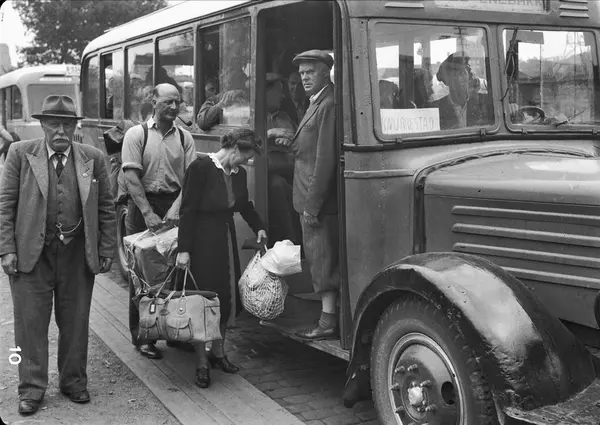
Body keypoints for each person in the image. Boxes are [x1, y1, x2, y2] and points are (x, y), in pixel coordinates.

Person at [0, 95, 116, 415]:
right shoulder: (20, 154)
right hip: (31, 255)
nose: (61, 131)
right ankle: (30, 388)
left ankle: (74, 381)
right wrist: (7, 249)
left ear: (75, 126)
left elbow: (106, 207)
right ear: (43, 126)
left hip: (76, 255)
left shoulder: (93, 158)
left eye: (67, 124)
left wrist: (106, 248)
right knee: (29, 324)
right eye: (54, 124)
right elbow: (5, 206)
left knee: (76, 321)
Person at [175, 128, 267, 388]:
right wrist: (184, 249)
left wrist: (259, 226)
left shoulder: (239, 174)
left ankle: (218, 353)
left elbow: (244, 205)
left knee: (225, 299)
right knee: (203, 302)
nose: (247, 161)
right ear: (235, 148)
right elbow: (188, 211)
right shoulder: (200, 168)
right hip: (202, 241)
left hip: (225, 239)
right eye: (246, 156)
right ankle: (201, 362)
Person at [121, 83, 197, 360]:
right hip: (143, 206)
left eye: (177, 102)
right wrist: (148, 213)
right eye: (168, 102)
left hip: (174, 206)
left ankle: (174, 332)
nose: (174, 107)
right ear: (153, 102)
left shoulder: (185, 137)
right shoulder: (136, 134)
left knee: (176, 273)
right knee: (143, 277)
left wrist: (176, 208)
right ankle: (144, 337)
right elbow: (131, 178)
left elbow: (191, 178)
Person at [277, 50, 340, 341]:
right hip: (308, 196)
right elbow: (310, 148)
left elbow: (325, 160)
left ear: (326, 72)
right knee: (319, 258)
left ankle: (327, 322)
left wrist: (312, 206)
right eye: (301, 73)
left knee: (323, 261)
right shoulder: (318, 101)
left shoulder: (327, 103)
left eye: (310, 72)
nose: (304, 78)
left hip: (317, 202)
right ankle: (328, 317)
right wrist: (292, 141)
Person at [264, 73, 300, 245]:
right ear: (265, 92)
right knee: (278, 186)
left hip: (292, 168)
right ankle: (290, 242)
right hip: (266, 173)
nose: (283, 96)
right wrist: (269, 134)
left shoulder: (285, 118)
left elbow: (299, 141)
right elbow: (243, 140)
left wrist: (290, 142)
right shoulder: (251, 117)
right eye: (278, 91)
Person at [429, 52, 489, 130]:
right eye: (454, 75)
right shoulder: (437, 109)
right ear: (447, 80)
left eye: (463, 73)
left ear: (469, 77)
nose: (459, 79)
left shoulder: (483, 103)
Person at [197, 66, 249, 130]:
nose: (222, 76)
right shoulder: (216, 100)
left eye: (228, 71)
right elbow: (201, 121)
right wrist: (221, 104)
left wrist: (244, 95)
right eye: (223, 73)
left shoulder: (250, 96)